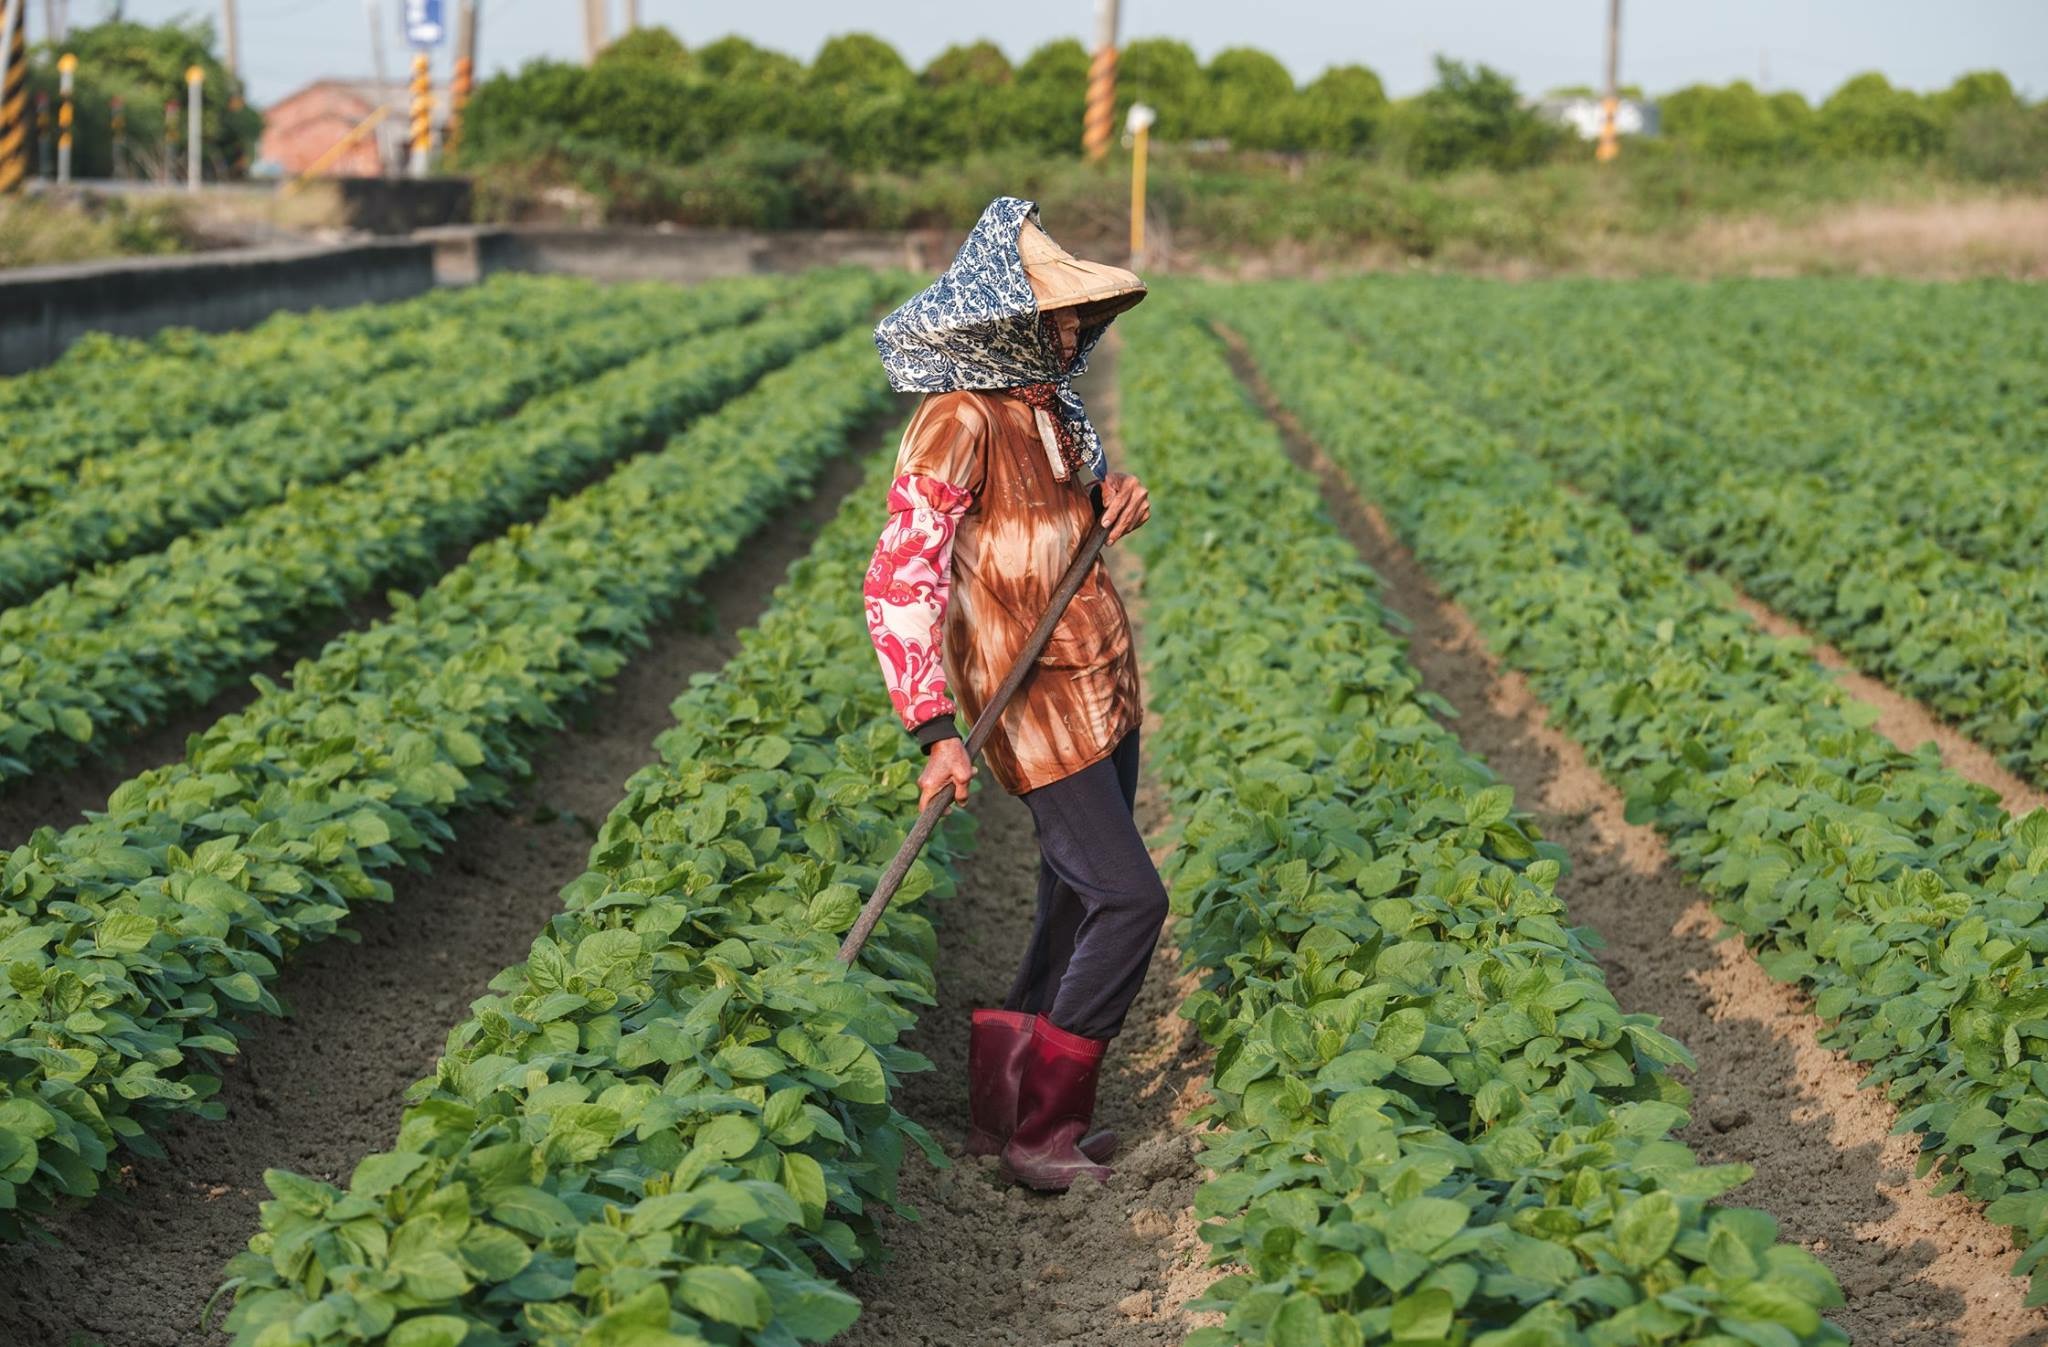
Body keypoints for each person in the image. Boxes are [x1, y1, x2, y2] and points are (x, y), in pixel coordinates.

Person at [864, 197, 1167, 1192]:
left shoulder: (1051, 411)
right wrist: (931, 729)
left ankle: (1002, 1116)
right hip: (1030, 699)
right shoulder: (959, 420)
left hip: (1099, 679)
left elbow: (1076, 510)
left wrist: (1111, 496)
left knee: (1072, 901)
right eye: (1055, 315)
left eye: (1076, 315)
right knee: (1128, 900)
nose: (1073, 328)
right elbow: (900, 576)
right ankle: (1045, 1129)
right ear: (1005, 318)